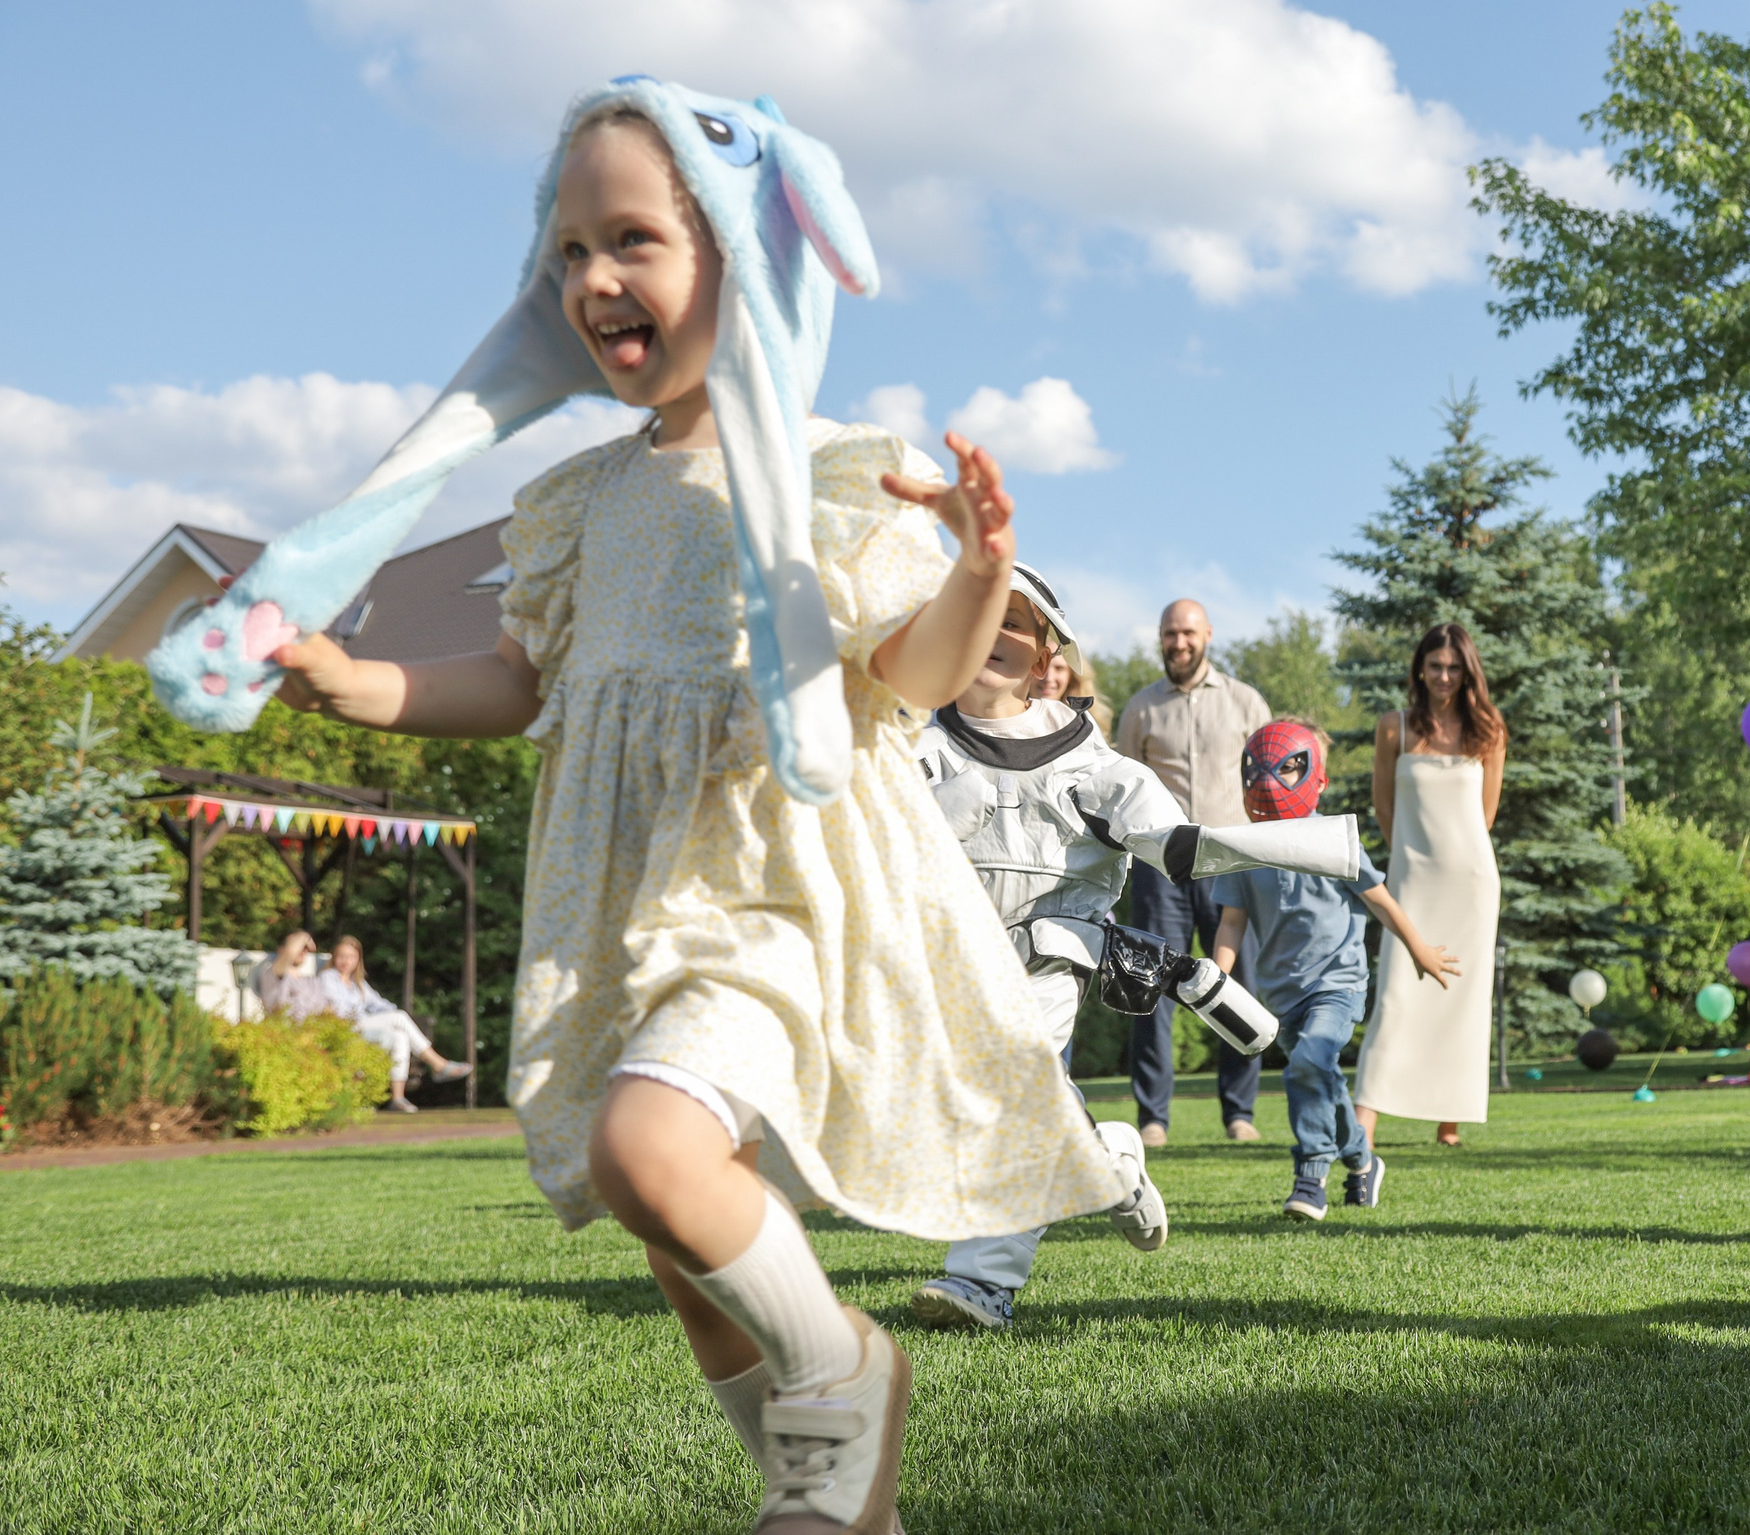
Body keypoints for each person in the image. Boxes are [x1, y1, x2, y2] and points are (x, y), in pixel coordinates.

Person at [211, 79, 1121, 1534]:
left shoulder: (829, 472)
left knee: (653, 1149)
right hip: (628, 892)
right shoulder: (577, 498)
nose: (590, 278)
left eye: (630, 237)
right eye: (566, 250)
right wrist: (349, 679)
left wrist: (979, 572)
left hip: (778, 888)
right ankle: (830, 1499)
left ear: (738, 263)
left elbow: (913, 674)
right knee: (671, 1235)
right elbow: (516, 681)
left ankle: (847, 1375)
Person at [907, 565, 1335, 1328]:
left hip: (1043, 963)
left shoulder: (1082, 758)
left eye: (1016, 622)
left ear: (1044, 659)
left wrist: (1257, 844)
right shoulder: (923, 748)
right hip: (948, 969)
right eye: (976, 615)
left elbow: (1163, 830)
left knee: (1017, 1102)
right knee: (967, 1112)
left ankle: (983, 1281)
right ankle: (1109, 1157)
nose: (993, 633)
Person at [1209, 720, 1456, 1221]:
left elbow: (1381, 901)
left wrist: (1419, 949)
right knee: (1322, 1078)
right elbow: (1231, 924)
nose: (1272, 781)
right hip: (1282, 997)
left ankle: (1311, 1174)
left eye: (1289, 768)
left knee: (1307, 1066)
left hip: (1338, 985)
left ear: (1316, 779)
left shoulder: (1333, 839)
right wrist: (1218, 982)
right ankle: (1363, 1162)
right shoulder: (1245, 850)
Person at [1115, 598, 1273, 1145]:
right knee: (1148, 988)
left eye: (1186, 633)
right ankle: (1154, 1119)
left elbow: (1272, 785)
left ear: (1207, 633)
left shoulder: (1247, 703)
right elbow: (1123, 795)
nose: (1177, 643)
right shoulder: (1140, 710)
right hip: (1162, 867)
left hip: (1231, 862)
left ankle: (1239, 1113)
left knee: (1236, 985)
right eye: (1168, 634)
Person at [1354, 623, 1505, 1149]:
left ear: (1468, 673)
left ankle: (1449, 1122)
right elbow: (1383, 804)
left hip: (1471, 884)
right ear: (1420, 667)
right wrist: (1409, 862)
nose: (1444, 676)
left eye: (1454, 667)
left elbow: (1484, 813)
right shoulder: (1393, 727)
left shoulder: (1489, 730)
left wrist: (1452, 855)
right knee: (1396, 995)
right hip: (1411, 881)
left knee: (1463, 999)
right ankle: (1363, 1123)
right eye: (1436, 666)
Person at [316, 935, 473, 1113]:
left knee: (400, 1035)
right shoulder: (328, 977)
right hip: (345, 1027)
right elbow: (339, 1012)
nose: (346, 961)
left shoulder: (357, 983)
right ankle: (438, 1065)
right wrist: (395, 1018)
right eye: (342, 956)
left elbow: (380, 1004)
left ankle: (398, 1098)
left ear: (358, 960)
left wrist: (391, 1016)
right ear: (334, 957)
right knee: (399, 1018)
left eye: (351, 957)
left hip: (363, 1027)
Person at [1030, 644, 1113, 741]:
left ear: (1072, 676)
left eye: (1059, 668)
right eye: (1040, 665)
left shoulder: (1087, 726)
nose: (1048, 678)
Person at [255, 929, 333, 1022]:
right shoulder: (273, 975)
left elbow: (326, 1010)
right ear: (280, 949)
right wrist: (304, 936)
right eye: (299, 946)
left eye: (305, 948)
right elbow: (290, 953)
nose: (302, 950)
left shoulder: (313, 981)